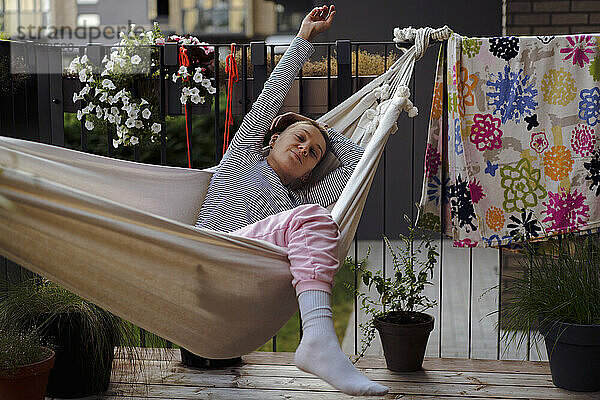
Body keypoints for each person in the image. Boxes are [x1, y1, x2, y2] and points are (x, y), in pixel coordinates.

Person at [195, 5, 389, 397]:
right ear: (271, 139)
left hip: (250, 268)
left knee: (313, 218)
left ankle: (318, 340)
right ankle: (318, 338)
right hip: (210, 254)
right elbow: (270, 98)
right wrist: (302, 40)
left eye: (313, 152)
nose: (305, 148)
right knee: (309, 219)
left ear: (312, 172)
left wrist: (330, 132)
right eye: (298, 138)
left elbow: (357, 166)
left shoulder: (303, 199)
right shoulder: (243, 156)